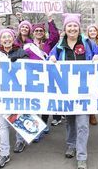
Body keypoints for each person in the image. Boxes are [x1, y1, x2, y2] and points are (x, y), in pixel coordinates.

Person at [49, 13, 98, 169]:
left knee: (83, 124)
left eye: (75, 26)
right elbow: (50, 59)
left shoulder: (88, 43)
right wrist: (51, 59)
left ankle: (81, 156)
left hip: (85, 91)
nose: (72, 28)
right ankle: (71, 145)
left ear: (79, 28)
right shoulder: (59, 46)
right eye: (69, 26)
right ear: (65, 29)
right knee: (71, 122)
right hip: (67, 91)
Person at [0, 28, 29, 168]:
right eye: (3, 37)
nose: (6, 39)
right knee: (3, 124)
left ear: (13, 39)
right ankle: (4, 153)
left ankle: (20, 140)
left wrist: (19, 62)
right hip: (3, 95)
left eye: (9, 37)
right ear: (0, 40)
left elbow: (30, 70)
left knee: (17, 118)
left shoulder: (22, 52)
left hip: (18, 93)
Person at [23, 13, 60, 141]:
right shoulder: (27, 45)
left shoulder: (48, 43)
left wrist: (50, 21)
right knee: (33, 103)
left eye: (41, 31)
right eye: (36, 31)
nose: (39, 32)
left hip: (47, 77)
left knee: (45, 103)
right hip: (32, 78)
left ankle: (43, 124)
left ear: (44, 32)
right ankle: (35, 127)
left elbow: (55, 36)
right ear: (33, 32)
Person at [86, 24, 98, 125]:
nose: (93, 32)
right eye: (90, 31)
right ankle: (91, 114)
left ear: (97, 32)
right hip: (88, 71)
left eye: (94, 31)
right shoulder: (85, 42)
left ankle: (93, 111)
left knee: (95, 92)